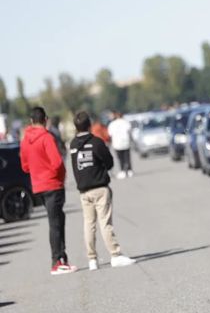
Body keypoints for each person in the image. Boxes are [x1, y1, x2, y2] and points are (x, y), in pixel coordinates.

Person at [69, 112, 136, 270]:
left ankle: (92, 259)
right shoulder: (96, 142)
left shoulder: (72, 145)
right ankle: (115, 254)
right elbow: (109, 162)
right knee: (105, 223)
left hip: (84, 190)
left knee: (89, 224)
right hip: (99, 187)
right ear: (89, 124)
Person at [20, 107, 77, 275]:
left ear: (31, 121)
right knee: (55, 223)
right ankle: (57, 261)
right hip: (52, 184)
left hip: (38, 185)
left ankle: (61, 258)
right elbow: (57, 162)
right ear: (45, 119)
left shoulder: (25, 140)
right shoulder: (46, 137)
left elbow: (24, 166)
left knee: (58, 218)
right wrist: (58, 177)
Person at [107, 112, 133, 179]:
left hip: (117, 143)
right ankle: (129, 170)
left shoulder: (112, 124)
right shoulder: (126, 122)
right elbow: (129, 131)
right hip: (125, 142)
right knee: (127, 157)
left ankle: (122, 170)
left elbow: (110, 134)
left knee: (120, 158)